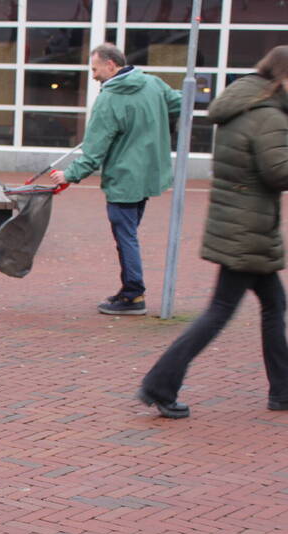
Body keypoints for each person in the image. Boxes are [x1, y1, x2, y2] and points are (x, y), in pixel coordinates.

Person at [138, 46, 288, 419]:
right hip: (248, 230)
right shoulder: (268, 117)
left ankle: (283, 390)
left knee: (273, 306)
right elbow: (278, 172)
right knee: (219, 312)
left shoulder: (242, 107)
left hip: (238, 224)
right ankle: (160, 384)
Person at [50, 43, 181, 315]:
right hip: (148, 176)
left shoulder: (109, 99)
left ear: (111, 65)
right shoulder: (153, 84)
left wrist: (69, 175)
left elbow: (94, 149)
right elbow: (180, 102)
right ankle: (130, 291)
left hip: (124, 179)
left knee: (126, 236)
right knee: (129, 232)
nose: (93, 75)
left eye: (95, 69)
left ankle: (133, 294)